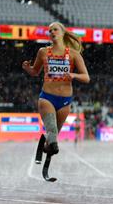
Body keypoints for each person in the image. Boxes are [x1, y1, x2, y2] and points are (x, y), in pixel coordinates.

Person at [22, 22, 90, 156]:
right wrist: (27, 69)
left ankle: (48, 145)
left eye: (55, 29)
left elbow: (86, 77)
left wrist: (73, 75)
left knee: (53, 136)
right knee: (52, 132)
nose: (52, 32)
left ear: (63, 33)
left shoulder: (74, 54)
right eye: (50, 31)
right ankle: (50, 145)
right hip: (47, 97)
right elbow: (35, 72)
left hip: (65, 101)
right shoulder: (43, 52)